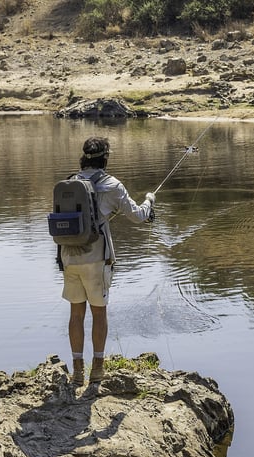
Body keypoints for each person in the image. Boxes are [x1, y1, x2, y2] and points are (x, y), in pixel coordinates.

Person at [60, 136, 155, 386]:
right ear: (106, 157)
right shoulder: (112, 184)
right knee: (99, 313)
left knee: (76, 313)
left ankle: (78, 370)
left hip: (68, 256)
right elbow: (137, 216)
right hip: (96, 259)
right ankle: (98, 371)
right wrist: (150, 202)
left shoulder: (69, 182)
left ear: (83, 157)